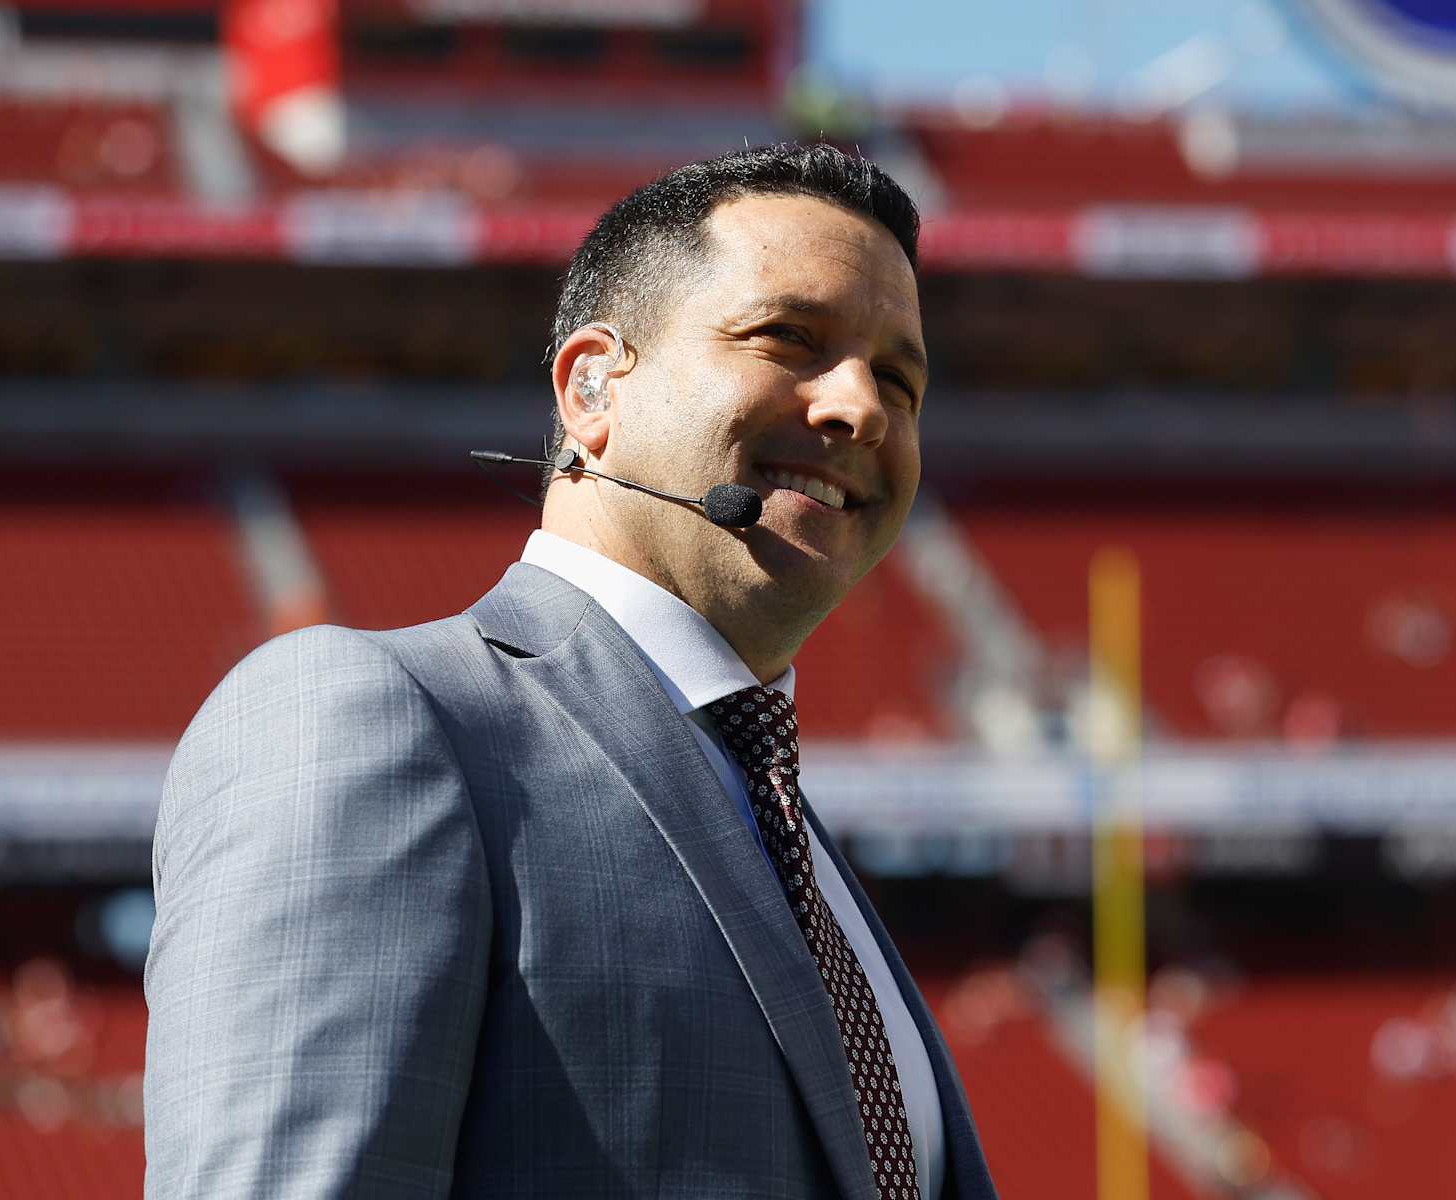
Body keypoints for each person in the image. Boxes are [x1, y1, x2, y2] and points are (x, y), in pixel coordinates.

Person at [143, 143, 998, 1199]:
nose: (861, 408)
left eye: (901, 382)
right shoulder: (374, 719)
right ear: (591, 388)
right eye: (790, 338)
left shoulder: (786, 832)